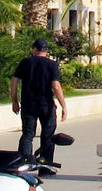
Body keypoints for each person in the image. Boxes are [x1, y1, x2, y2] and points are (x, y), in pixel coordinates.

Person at [11, 38, 67, 170]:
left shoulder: (26, 62)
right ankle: (45, 166)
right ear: (46, 51)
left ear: (35, 49)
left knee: (28, 133)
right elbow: (56, 86)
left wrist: (14, 101)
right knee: (48, 134)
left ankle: (25, 162)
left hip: (28, 104)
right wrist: (63, 105)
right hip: (46, 104)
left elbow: (14, 82)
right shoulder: (52, 65)